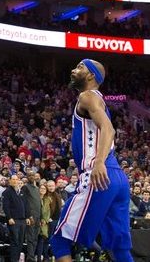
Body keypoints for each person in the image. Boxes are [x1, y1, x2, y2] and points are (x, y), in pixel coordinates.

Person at [50, 59, 133, 262]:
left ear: (91, 75)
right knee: (119, 248)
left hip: (98, 176)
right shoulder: (99, 100)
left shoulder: (87, 96)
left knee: (59, 240)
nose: (73, 69)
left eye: (80, 67)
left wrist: (98, 162)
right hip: (118, 179)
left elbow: (109, 129)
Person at [3, 175, 29, 262]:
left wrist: (27, 217)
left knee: (21, 242)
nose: (15, 181)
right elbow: (5, 206)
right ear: (10, 181)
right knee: (15, 241)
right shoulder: (7, 192)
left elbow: (26, 205)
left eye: (16, 179)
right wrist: (9, 217)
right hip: (13, 220)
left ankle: (17, 259)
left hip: (22, 220)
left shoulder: (21, 192)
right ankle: (13, 260)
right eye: (13, 179)